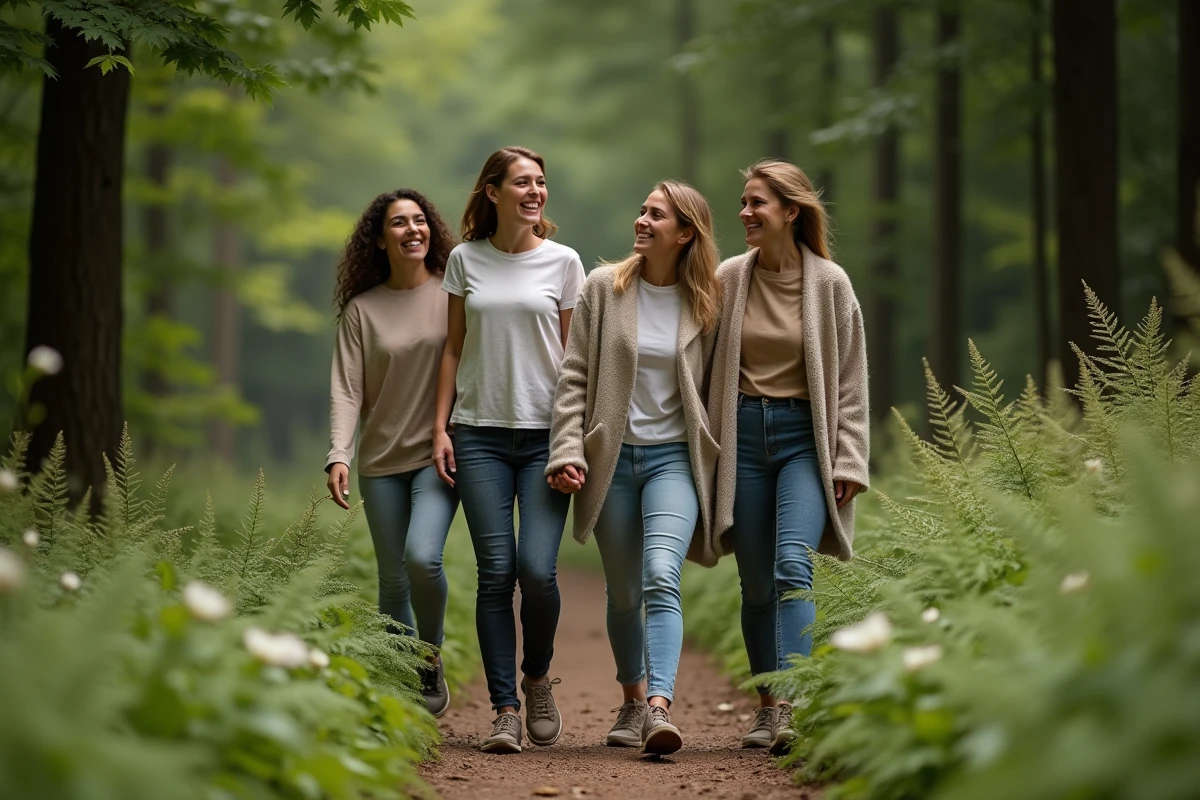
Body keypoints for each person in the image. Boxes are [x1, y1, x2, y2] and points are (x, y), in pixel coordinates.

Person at [546, 181, 722, 755]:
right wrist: (567, 449)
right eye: (641, 210)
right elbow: (574, 378)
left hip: (675, 459)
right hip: (613, 460)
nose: (642, 221)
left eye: (656, 215)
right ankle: (629, 697)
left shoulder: (707, 301)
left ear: (686, 232)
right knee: (623, 593)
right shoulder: (605, 287)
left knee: (660, 575)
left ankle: (657, 707)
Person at [707, 159, 870, 755]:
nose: (745, 214)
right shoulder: (729, 278)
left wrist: (849, 458)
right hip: (744, 435)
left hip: (807, 438)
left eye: (757, 204)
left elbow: (850, 378)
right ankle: (767, 706)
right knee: (754, 584)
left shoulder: (829, 283)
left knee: (792, 571)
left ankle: (793, 706)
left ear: (790, 212)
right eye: (744, 203)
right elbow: (698, 364)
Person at [432, 146, 586, 754]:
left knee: (537, 572)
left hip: (548, 439)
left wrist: (575, 438)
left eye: (541, 183)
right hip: (479, 436)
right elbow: (451, 348)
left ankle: (538, 677)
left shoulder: (565, 263)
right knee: (496, 573)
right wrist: (440, 428)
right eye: (522, 182)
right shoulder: (464, 260)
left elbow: (577, 362)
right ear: (492, 192)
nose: (535, 192)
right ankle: (504, 709)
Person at [325, 188, 460, 717]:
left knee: (422, 558)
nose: (412, 230)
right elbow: (346, 389)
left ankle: (428, 656)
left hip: (437, 456)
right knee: (392, 576)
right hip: (380, 463)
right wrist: (339, 453)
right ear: (379, 241)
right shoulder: (363, 310)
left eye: (420, 220)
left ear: (432, 230)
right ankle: (401, 680)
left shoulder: (455, 293)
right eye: (399, 223)